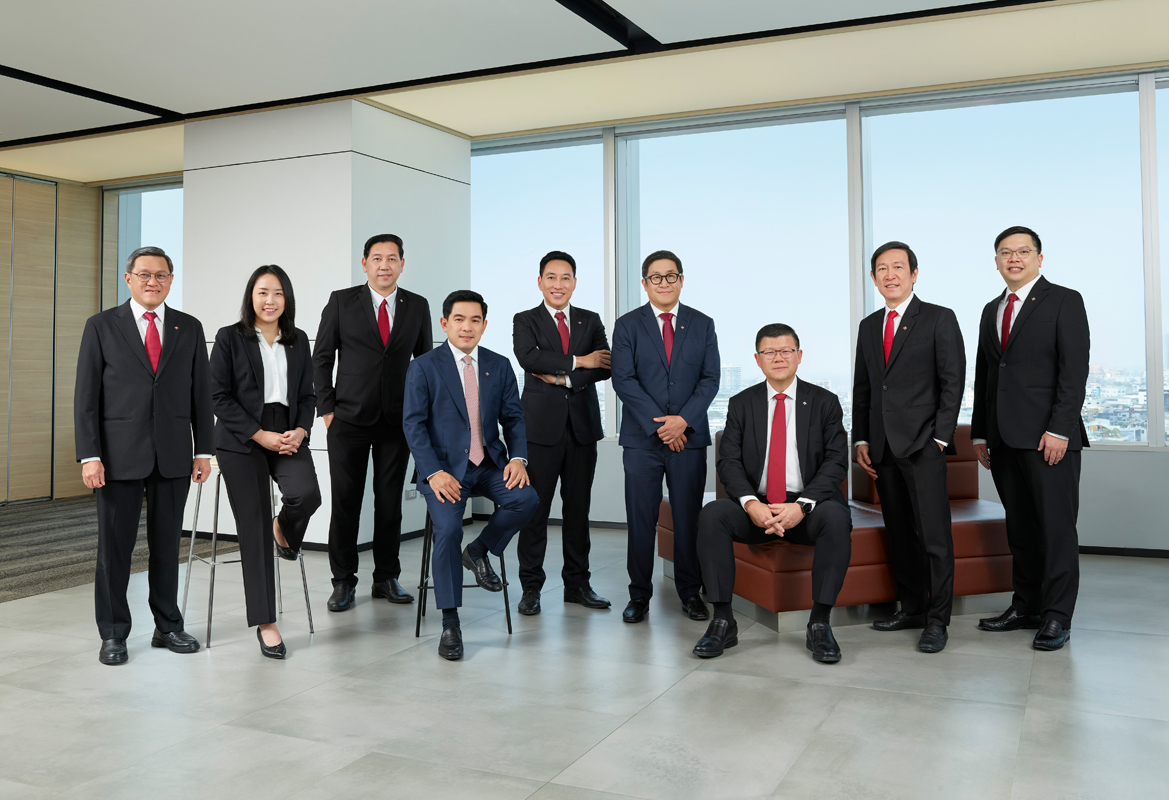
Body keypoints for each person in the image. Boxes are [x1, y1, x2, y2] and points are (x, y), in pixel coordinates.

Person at [74, 246, 213, 665]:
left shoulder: (188, 327)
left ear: (171, 280)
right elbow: (86, 398)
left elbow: (201, 395)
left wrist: (203, 450)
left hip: (173, 455)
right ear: (128, 279)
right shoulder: (101, 326)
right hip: (116, 458)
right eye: (145, 274)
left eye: (161, 275)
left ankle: (167, 626)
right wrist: (90, 455)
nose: (153, 281)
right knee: (114, 550)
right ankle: (113, 634)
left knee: (167, 547)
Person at [693, 324, 853, 662]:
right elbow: (728, 462)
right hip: (758, 507)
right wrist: (751, 504)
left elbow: (837, 461)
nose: (778, 357)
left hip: (807, 507)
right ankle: (723, 620)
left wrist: (802, 505)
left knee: (837, 517)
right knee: (712, 515)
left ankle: (820, 623)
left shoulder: (824, 402)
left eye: (785, 351)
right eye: (769, 352)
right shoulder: (741, 403)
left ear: (799, 356)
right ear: (758, 359)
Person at [403, 290, 539, 660]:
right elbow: (413, 425)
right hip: (444, 471)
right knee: (448, 529)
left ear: (484, 325)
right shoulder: (424, 366)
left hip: (489, 465)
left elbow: (514, 418)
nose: (467, 327)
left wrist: (518, 459)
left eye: (475, 320)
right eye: (459, 319)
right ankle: (450, 622)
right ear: (444, 323)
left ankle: (478, 550)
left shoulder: (499, 364)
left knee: (526, 499)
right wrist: (433, 473)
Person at [972, 226, 1089, 651]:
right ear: (996, 262)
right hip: (1003, 439)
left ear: (1039, 258)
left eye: (1023, 251)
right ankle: (1026, 606)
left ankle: (1057, 616)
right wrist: (980, 432)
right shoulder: (992, 309)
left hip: (1048, 439)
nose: (1014, 258)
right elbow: (986, 375)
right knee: (1020, 529)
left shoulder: (1064, 300)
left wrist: (1059, 429)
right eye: (1006, 252)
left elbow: (1074, 372)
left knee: (1056, 531)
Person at [853, 241, 964, 653]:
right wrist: (861, 438)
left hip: (923, 447)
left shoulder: (938, 318)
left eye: (898, 267)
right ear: (873, 277)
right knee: (899, 535)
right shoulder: (869, 326)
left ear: (914, 274)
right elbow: (864, 388)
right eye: (882, 268)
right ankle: (913, 608)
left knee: (935, 538)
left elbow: (953, 381)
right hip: (882, 449)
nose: (890, 275)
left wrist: (939, 439)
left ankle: (937, 621)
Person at [312, 234, 432, 612]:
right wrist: (327, 410)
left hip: (397, 422)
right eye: (377, 258)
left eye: (392, 258)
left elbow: (425, 364)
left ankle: (386, 577)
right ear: (364, 263)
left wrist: (420, 415)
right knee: (346, 504)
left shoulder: (417, 305)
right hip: (347, 419)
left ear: (402, 264)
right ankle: (343, 581)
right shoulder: (341, 301)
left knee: (390, 504)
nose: (384, 265)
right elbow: (321, 358)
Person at [209, 266, 322, 659]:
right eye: (262, 292)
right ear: (251, 297)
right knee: (253, 528)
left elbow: (307, 395)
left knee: (307, 495)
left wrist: (301, 430)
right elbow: (217, 396)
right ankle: (266, 623)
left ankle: (282, 526)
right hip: (242, 438)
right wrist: (259, 435)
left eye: (277, 293)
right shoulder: (229, 337)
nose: (270, 300)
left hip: (287, 430)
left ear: (286, 299)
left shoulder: (298, 340)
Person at [610, 250, 720, 624]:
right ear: (645, 284)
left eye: (671, 275)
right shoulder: (627, 325)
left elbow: (710, 379)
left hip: (688, 440)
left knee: (688, 519)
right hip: (642, 440)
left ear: (681, 280)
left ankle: (690, 593)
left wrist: (683, 421)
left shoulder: (702, 324)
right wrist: (663, 426)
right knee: (641, 519)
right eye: (656, 277)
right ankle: (638, 595)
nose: (664, 282)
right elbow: (624, 380)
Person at [511, 251, 612, 616]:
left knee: (578, 511)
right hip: (539, 431)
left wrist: (563, 378)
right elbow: (529, 358)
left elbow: (606, 365)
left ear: (574, 282)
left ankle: (577, 585)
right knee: (534, 512)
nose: (558, 284)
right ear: (540, 282)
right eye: (551, 277)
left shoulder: (590, 320)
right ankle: (531, 588)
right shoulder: (525, 320)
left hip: (582, 429)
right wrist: (580, 361)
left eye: (565, 277)